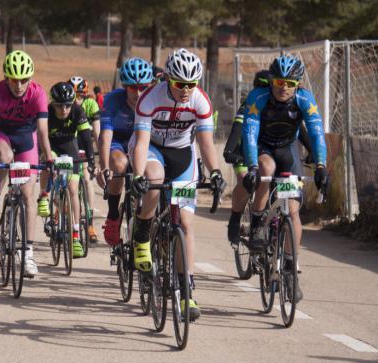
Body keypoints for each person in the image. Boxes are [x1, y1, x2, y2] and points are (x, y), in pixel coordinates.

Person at [130, 48, 225, 321]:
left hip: (182, 153)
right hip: (152, 149)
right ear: (168, 79)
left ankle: (187, 293)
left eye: (191, 84)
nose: (185, 90)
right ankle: (143, 232)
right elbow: (142, 142)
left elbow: (206, 143)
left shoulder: (200, 100)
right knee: (154, 179)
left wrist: (216, 171)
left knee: (185, 222)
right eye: (179, 84)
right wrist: (138, 175)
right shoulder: (150, 98)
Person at [242, 54, 328, 302]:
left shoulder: (304, 99)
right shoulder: (258, 98)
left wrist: (321, 165)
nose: (283, 88)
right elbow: (249, 133)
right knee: (266, 170)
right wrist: (251, 167)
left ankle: (290, 269)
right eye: (279, 82)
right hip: (262, 147)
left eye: (290, 83)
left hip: (287, 149)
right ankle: (258, 225)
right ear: (271, 81)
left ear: (298, 83)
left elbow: (316, 132)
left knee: (291, 210)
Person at [0, 50, 54, 277]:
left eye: (24, 79)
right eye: (14, 79)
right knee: (3, 158)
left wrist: (49, 157)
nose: (19, 84)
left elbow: (43, 131)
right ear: (6, 78)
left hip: (26, 137)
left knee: (26, 194)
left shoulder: (38, 93)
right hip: (3, 134)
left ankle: (28, 253)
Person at [225, 69, 313, 244]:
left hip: (275, 151)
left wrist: (313, 153)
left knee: (279, 182)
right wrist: (230, 152)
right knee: (246, 180)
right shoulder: (249, 106)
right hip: (247, 151)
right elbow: (236, 133)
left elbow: (300, 131)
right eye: (264, 87)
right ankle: (235, 218)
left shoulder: (287, 107)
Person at [96, 57, 154, 248]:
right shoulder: (113, 99)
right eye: (132, 88)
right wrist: (104, 167)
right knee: (119, 165)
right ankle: (113, 215)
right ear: (124, 86)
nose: (138, 93)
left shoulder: (154, 98)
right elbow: (105, 136)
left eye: (143, 87)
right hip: (119, 141)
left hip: (142, 141)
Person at [40, 81, 95, 258]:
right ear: (53, 104)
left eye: (67, 105)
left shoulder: (78, 110)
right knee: (47, 162)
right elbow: (41, 137)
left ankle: (76, 236)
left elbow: (86, 136)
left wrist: (91, 157)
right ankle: (44, 195)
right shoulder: (48, 112)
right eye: (59, 106)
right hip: (52, 146)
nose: (64, 109)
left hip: (70, 147)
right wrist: (46, 157)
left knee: (73, 190)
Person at [69, 76, 101, 243]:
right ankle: (61, 211)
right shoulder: (66, 105)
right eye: (74, 95)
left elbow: (96, 133)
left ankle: (89, 223)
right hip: (71, 143)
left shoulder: (91, 104)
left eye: (80, 95)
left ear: (85, 95)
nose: (77, 99)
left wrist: (99, 154)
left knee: (87, 179)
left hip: (85, 142)